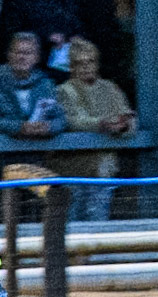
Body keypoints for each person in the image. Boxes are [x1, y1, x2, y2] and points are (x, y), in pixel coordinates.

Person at [54, 37, 136, 221]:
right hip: (72, 171)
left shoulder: (111, 88)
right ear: (71, 67)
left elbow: (128, 118)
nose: (86, 67)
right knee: (72, 224)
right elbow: (72, 120)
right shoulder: (63, 91)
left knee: (98, 225)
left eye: (90, 61)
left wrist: (123, 126)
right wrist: (102, 124)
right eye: (79, 63)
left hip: (103, 171)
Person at [0, 31, 68, 138]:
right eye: (17, 52)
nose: (21, 57)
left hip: (38, 149)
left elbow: (61, 120)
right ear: (8, 55)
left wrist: (48, 127)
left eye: (27, 53)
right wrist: (19, 127)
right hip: (0, 151)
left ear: (37, 57)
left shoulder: (46, 84)